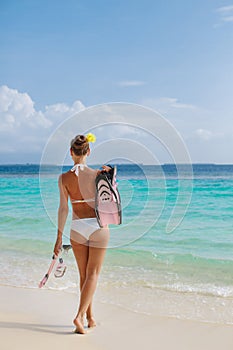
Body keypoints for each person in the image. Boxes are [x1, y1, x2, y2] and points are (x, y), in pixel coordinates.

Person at [53, 133, 110, 334]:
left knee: (84, 276)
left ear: (71, 152)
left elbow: (63, 209)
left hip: (77, 228)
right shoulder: (98, 175)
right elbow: (109, 202)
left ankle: (90, 317)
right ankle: (79, 317)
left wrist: (59, 237)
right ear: (88, 151)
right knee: (93, 274)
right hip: (97, 227)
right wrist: (111, 177)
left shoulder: (63, 178)